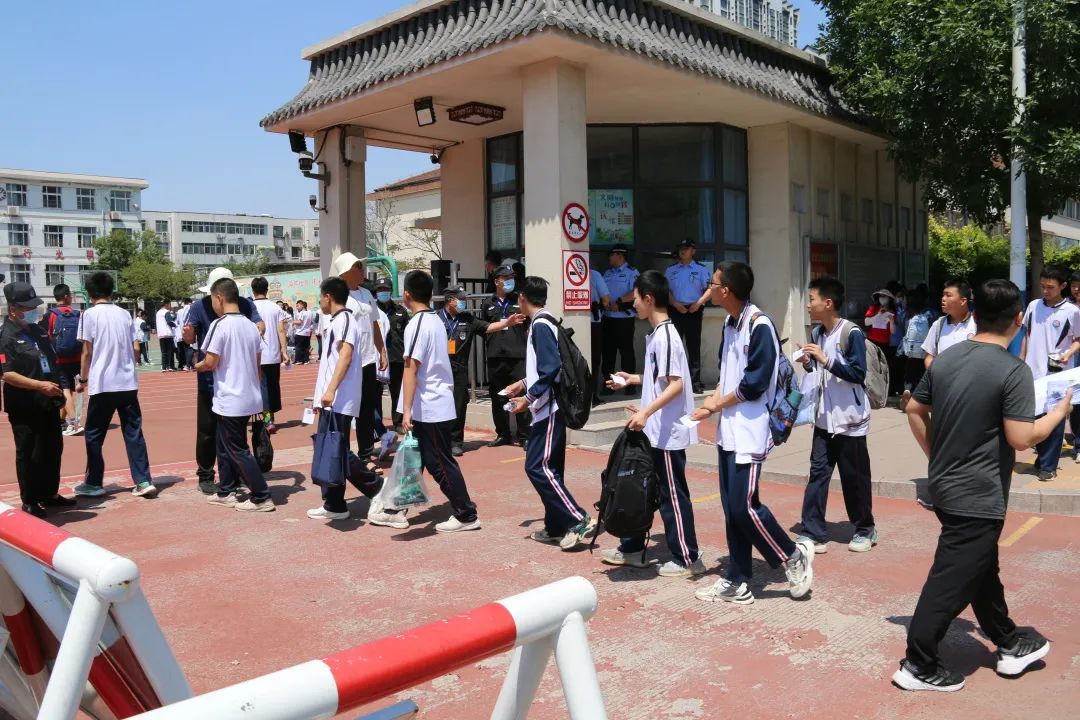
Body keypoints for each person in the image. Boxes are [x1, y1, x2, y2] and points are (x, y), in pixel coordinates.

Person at [895, 279, 1058, 692]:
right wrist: (1059, 413)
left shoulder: (946, 359)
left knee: (981, 567)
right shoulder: (1013, 370)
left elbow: (914, 409)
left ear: (976, 313)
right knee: (951, 579)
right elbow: (1021, 438)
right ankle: (918, 663)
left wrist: (936, 454)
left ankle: (1009, 641)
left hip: (947, 486)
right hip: (978, 494)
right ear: (1018, 319)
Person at [691, 261, 814, 605]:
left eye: (712, 284)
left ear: (725, 290)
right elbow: (726, 375)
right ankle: (736, 578)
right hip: (729, 430)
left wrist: (717, 404)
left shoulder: (759, 326)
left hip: (751, 429)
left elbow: (754, 385)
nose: (709, 289)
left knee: (743, 506)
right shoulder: (730, 324)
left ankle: (793, 556)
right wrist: (710, 405)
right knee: (732, 509)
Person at [600, 271, 703, 576]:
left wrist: (646, 412)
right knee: (641, 487)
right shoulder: (659, 335)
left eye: (635, 299)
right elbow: (661, 378)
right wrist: (633, 380)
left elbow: (676, 384)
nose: (633, 305)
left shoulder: (666, 336)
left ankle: (687, 558)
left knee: (672, 494)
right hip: (655, 431)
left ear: (648, 298)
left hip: (667, 433)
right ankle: (632, 547)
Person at [503, 277, 594, 550]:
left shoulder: (540, 325)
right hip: (547, 406)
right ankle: (556, 526)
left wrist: (527, 398)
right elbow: (546, 366)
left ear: (522, 297)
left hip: (548, 408)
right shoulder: (545, 321)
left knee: (536, 467)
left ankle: (578, 518)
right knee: (550, 468)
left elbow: (551, 368)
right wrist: (522, 383)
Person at [307, 277, 403, 526]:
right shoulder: (336, 321)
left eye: (320, 297)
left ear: (328, 296)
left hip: (339, 399)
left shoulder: (345, 320)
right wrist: (321, 396)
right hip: (331, 400)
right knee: (329, 449)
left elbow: (346, 357)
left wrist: (330, 390)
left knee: (336, 450)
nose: (320, 302)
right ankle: (334, 504)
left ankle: (378, 487)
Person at [795, 277, 876, 554]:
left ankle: (865, 529)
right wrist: (809, 362)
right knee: (818, 474)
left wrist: (825, 360)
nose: (808, 305)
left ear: (828, 303)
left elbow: (858, 373)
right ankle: (812, 531)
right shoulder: (818, 333)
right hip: (823, 419)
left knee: (855, 478)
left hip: (850, 420)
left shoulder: (851, 333)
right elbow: (818, 373)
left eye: (812, 299)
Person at [399, 270, 480, 533]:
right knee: (416, 458)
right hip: (431, 402)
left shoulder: (418, 323)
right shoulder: (435, 320)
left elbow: (411, 367)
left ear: (407, 295)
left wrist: (406, 410)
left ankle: (466, 513)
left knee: (439, 463)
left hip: (430, 404)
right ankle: (396, 506)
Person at [72, 271, 157, 499]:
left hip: (102, 383)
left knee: (94, 434)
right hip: (127, 383)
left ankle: (93, 482)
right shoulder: (124, 314)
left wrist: (83, 380)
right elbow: (136, 348)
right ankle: (143, 480)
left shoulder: (89, 315)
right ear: (112, 291)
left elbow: (87, 351)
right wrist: (127, 365)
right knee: (133, 432)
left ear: (90, 294)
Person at [194, 277, 274, 513]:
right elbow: (258, 366)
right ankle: (226, 490)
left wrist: (198, 365)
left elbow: (210, 361)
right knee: (223, 445)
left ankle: (261, 495)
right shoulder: (251, 326)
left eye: (212, 299)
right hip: (249, 396)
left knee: (237, 449)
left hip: (231, 398)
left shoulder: (220, 325)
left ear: (219, 298)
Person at [182, 266, 265, 495]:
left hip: (234, 381)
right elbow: (189, 336)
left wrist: (259, 327)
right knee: (208, 430)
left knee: (232, 435)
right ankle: (206, 474)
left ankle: (234, 479)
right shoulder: (199, 306)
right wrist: (188, 335)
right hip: (210, 382)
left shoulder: (244, 306)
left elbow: (259, 326)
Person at [0, 281, 76, 518]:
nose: (33, 311)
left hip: (48, 402)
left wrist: (61, 389)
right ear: (13, 309)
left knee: (52, 448)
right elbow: (7, 374)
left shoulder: (38, 331)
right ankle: (30, 500)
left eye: (34, 306)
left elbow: (52, 361)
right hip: (25, 404)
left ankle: (49, 494)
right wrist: (39, 386)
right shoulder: (6, 336)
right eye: (28, 307)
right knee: (29, 452)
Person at [440, 284, 524, 456]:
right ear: (449, 300)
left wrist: (506, 323)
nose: (464, 301)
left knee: (459, 405)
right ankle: (439, 440)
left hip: (459, 368)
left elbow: (487, 327)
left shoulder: (468, 319)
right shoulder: (436, 318)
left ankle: (455, 442)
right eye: (460, 299)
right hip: (439, 368)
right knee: (438, 405)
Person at [1019, 264, 1080, 480]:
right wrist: (1021, 361)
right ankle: (1043, 459)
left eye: (1050, 287)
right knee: (1036, 416)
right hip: (1033, 371)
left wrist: (1068, 354)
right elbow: (1026, 335)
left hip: (1058, 375)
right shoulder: (1033, 306)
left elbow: (1078, 339)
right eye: (1042, 286)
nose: (1045, 291)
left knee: (1055, 418)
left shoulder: (1072, 311)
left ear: (1062, 286)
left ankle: (1048, 467)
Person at [332, 252, 390, 466]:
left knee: (366, 408)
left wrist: (381, 351)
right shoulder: (339, 295)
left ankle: (365, 455)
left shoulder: (366, 293)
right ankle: (343, 455)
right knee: (347, 408)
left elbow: (374, 323)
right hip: (348, 362)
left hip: (367, 360)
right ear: (346, 272)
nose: (361, 270)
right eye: (357, 266)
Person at [480, 263, 530, 448]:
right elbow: (484, 328)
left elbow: (528, 325)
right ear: (496, 282)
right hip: (496, 356)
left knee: (521, 393)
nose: (510, 281)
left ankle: (525, 435)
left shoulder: (520, 299)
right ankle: (503, 434)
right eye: (506, 278)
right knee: (498, 396)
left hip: (517, 355)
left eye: (512, 278)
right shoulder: (488, 303)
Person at [665, 238, 711, 394]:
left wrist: (698, 303)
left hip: (694, 311)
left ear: (693, 251)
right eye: (681, 248)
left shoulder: (701, 269)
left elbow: (710, 289)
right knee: (674, 347)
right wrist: (675, 304)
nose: (682, 251)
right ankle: (675, 382)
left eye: (686, 248)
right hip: (675, 310)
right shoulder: (671, 270)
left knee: (693, 347)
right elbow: (665, 290)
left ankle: (694, 381)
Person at [251, 277, 289, 433]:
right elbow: (281, 330)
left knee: (262, 387)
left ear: (253, 291)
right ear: (267, 290)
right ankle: (270, 418)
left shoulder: (250, 307)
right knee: (272, 386)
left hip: (256, 354)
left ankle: (267, 421)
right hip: (273, 353)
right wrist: (284, 351)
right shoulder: (275, 307)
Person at [601, 245, 640, 395]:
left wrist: (620, 301)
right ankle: (609, 385)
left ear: (620, 256)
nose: (609, 258)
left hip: (624, 319)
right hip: (608, 318)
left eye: (611, 255)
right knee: (608, 354)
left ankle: (629, 385)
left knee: (626, 353)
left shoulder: (632, 272)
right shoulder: (607, 273)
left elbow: (636, 292)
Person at [47, 283, 83, 436]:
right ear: (67, 296)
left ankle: (74, 423)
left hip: (59, 359)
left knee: (64, 390)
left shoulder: (51, 314)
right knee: (70, 390)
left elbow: (48, 336)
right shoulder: (77, 314)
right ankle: (61, 421)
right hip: (77, 357)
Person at [376, 277, 409, 432]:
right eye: (380, 290)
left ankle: (398, 422)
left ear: (391, 291)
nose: (383, 292)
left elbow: (407, 334)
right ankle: (377, 426)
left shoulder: (400, 311)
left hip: (396, 358)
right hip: (378, 359)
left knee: (397, 392)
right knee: (375, 394)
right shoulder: (372, 311)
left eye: (385, 289)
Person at [922, 279, 976, 368]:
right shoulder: (938, 324)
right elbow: (929, 356)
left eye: (948, 295)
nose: (943, 299)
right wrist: (934, 373)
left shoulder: (977, 325)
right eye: (943, 295)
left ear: (963, 301)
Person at [899, 287, 933, 409]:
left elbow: (902, 329)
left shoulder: (906, 314)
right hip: (924, 349)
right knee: (921, 374)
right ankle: (918, 399)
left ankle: (907, 390)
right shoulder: (928, 313)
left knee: (909, 373)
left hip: (909, 349)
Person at [864, 289, 896, 386]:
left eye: (884, 297)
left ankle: (883, 386)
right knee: (871, 365)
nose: (882, 299)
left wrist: (891, 321)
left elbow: (893, 331)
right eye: (880, 297)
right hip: (872, 341)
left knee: (883, 367)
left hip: (884, 343)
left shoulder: (892, 311)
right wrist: (877, 315)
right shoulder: (873, 308)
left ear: (889, 299)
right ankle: (871, 386)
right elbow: (866, 322)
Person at [589, 268, 610, 406]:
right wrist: (604, 306)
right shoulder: (594, 274)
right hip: (594, 323)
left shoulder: (566, 272)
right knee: (595, 360)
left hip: (574, 320)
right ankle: (593, 395)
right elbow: (606, 299)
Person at [155, 301, 176, 371]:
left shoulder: (158, 312)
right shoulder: (166, 312)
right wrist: (175, 325)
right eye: (170, 304)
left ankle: (164, 366)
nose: (170, 306)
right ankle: (170, 366)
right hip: (168, 333)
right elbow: (169, 321)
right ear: (166, 304)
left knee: (163, 351)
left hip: (161, 334)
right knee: (170, 351)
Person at [292, 300, 314, 364]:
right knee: (306, 347)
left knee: (298, 347)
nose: (297, 307)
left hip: (300, 332)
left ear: (302, 305)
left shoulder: (302, 313)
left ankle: (299, 360)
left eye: (298, 306)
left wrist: (292, 322)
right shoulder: (310, 312)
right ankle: (306, 360)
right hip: (307, 332)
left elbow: (300, 322)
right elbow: (311, 322)